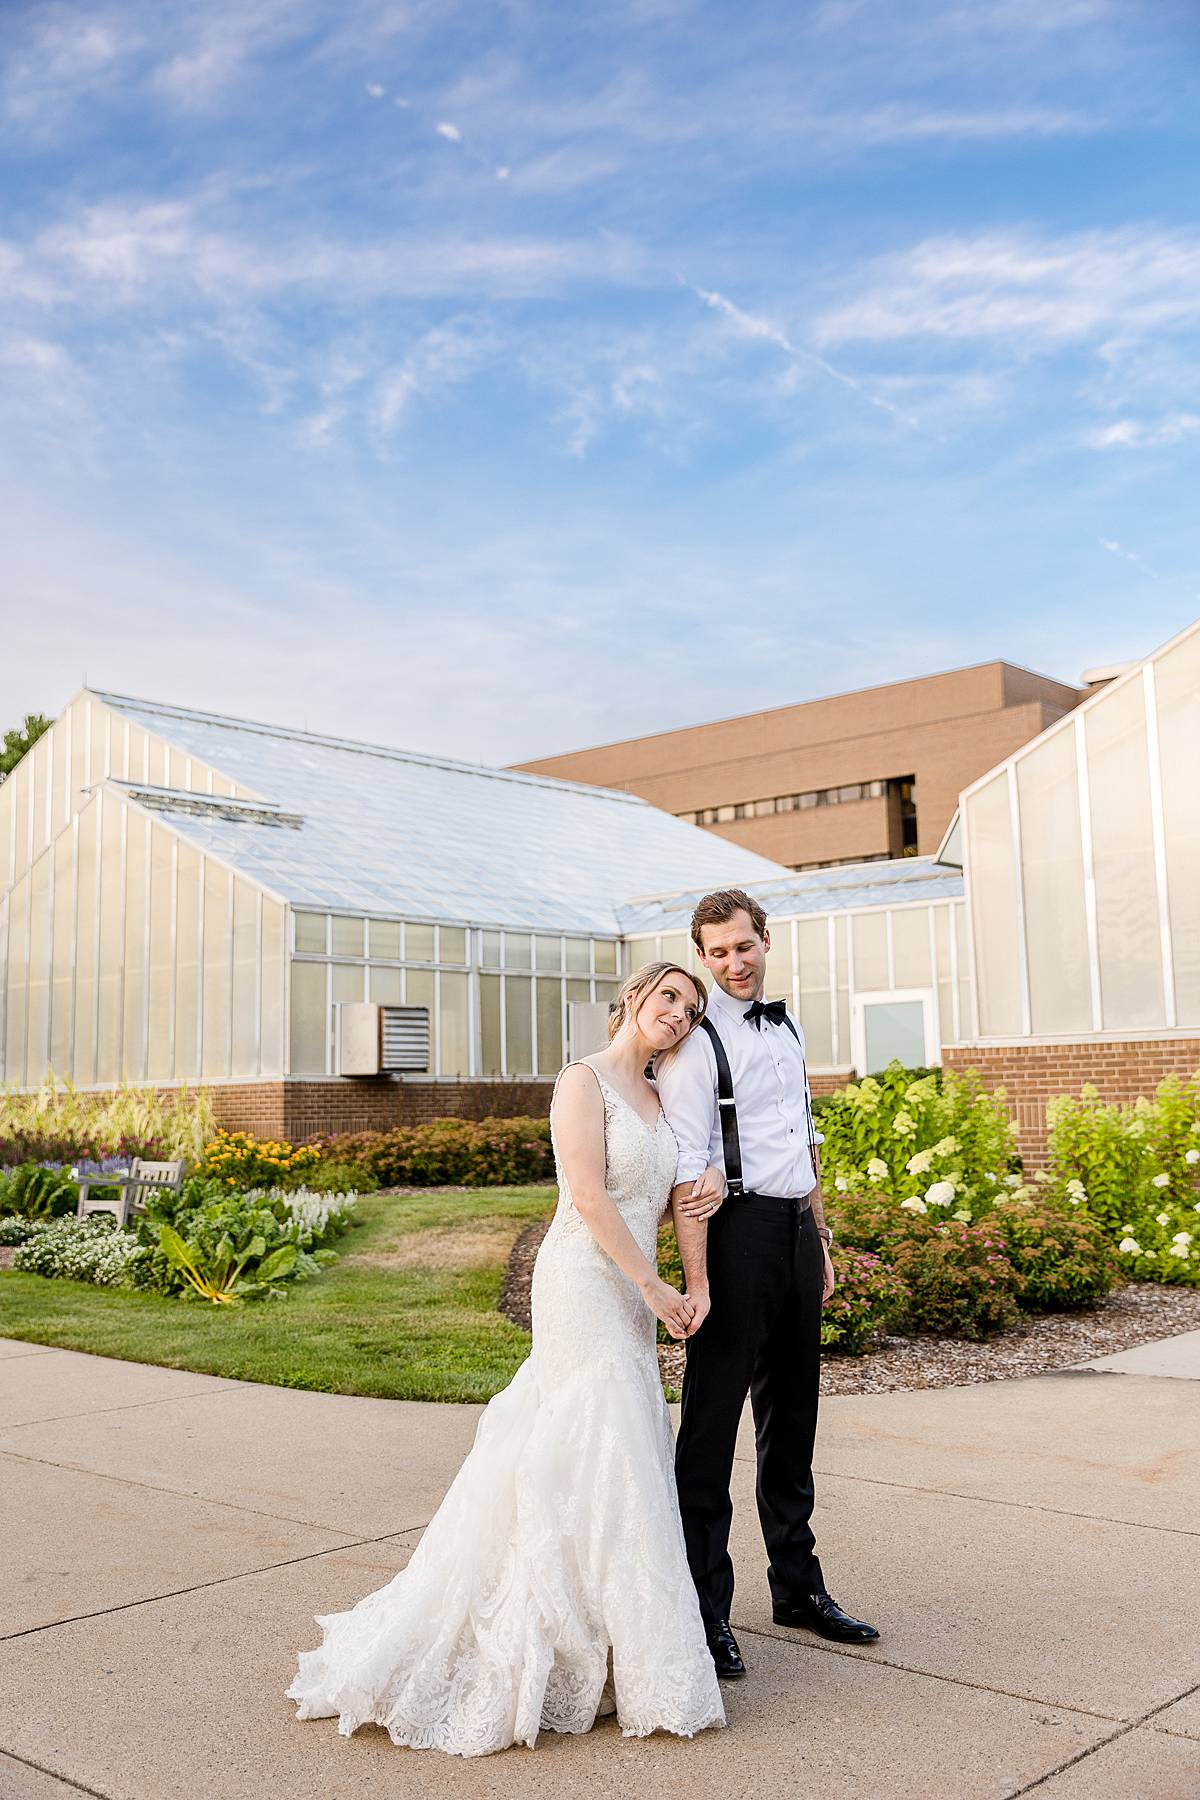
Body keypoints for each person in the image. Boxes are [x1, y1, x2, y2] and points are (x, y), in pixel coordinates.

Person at [288, 962, 727, 1757]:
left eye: (693, 1010)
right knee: (601, 1440)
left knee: (615, 1454)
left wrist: (708, 1189)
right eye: (670, 997)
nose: (681, 1015)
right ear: (634, 999)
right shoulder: (581, 1081)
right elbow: (588, 1196)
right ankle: (547, 1638)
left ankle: (604, 1646)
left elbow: (668, 1190)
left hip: (633, 1292)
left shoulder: (663, 1099)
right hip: (584, 1283)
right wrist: (655, 1284)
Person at [657, 889, 880, 1680]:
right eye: (716, 953)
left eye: (743, 947)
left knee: (793, 1423)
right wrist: (698, 1281)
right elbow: (688, 1169)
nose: (733, 963)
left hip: (790, 1233)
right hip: (734, 1238)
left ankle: (797, 1588)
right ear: (702, 955)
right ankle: (705, 1608)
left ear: (766, 941)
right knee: (712, 1429)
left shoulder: (787, 1027)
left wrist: (819, 1241)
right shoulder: (694, 1046)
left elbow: (803, 1141)